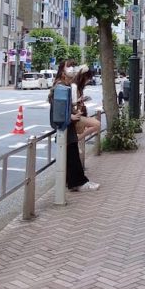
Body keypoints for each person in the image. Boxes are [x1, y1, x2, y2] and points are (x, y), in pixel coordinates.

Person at [52, 61, 99, 192]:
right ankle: (78, 182)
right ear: (62, 72)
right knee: (71, 154)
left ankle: (74, 182)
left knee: (71, 154)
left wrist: (72, 113)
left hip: (68, 124)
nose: (72, 70)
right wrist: (70, 117)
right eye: (69, 67)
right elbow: (57, 108)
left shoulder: (65, 86)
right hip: (66, 125)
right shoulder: (60, 87)